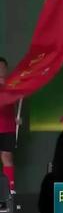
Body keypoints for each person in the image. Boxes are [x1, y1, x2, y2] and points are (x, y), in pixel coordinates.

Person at [0, 57, 21, 193]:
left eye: (3, 67)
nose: (1, 70)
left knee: (7, 157)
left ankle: (10, 191)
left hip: (8, 127)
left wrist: (17, 118)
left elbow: (15, 105)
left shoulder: (12, 85)